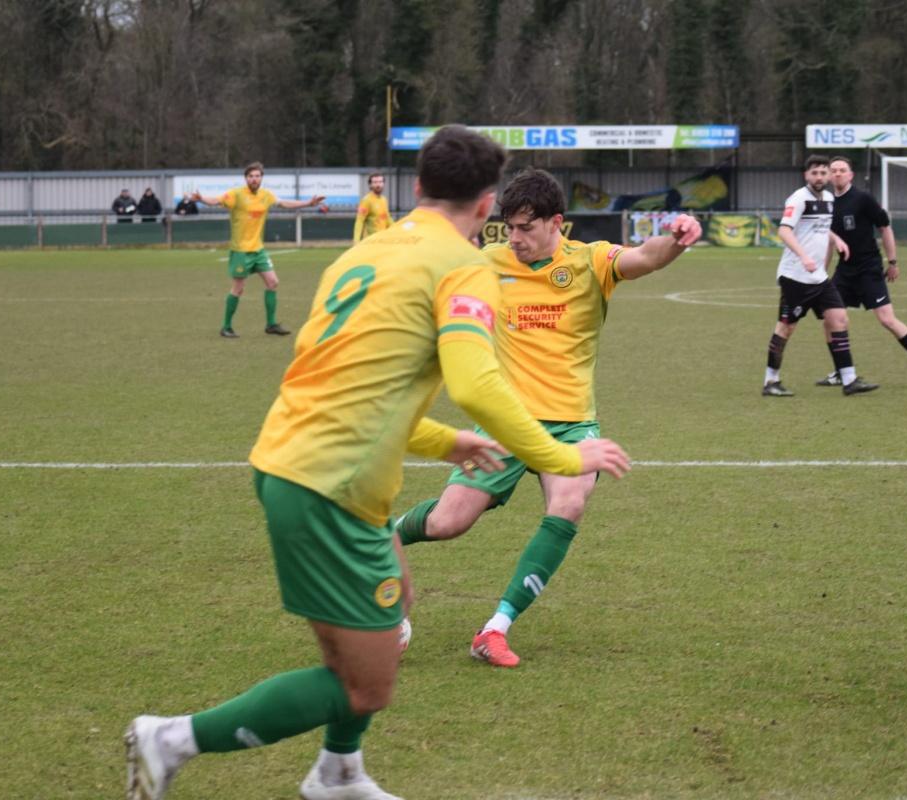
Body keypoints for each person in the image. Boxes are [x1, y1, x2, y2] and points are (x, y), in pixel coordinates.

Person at [123, 126, 632, 800]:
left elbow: (346, 381)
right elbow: (477, 385)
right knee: (365, 683)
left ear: (416, 188)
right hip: (330, 480)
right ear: (487, 208)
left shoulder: (365, 252)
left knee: (397, 602)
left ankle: (339, 771)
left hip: (296, 457)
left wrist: (446, 443)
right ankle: (170, 740)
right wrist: (563, 454)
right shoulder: (463, 266)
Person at [394, 167, 701, 668]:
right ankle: (379, 539)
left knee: (568, 504)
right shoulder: (488, 262)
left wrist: (677, 239)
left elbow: (646, 257)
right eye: (509, 228)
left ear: (556, 222)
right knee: (448, 522)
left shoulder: (590, 261)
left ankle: (495, 629)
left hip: (571, 425)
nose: (514, 238)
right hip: (506, 421)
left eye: (526, 228)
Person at [815, 155, 907, 389]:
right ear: (830, 176)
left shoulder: (863, 199)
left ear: (850, 175)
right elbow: (830, 243)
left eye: (842, 170)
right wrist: (822, 273)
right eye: (834, 170)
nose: (838, 173)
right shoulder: (828, 204)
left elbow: (885, 227)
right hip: (845, 271)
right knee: (829, 319)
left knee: (887, 319)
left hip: (869, 268)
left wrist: (892, 262)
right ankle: (841, 372)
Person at [762, 154, 878, 397]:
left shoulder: (828, 199)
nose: (819, 177)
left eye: (823, 173)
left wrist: (837, 239)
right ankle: (771, 381)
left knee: (839, 319)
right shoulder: (798, 198)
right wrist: (804, 256)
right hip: (795, 276)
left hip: (818, 277)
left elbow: (821, 228)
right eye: (814, 173)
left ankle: (849, 379)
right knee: (786, 328)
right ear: (806, 175)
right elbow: (784, 231)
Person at [191, 163, 325, 338]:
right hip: (241, 251)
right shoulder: (236, 194)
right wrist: (201, 199)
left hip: (258, 250)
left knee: (273, 282)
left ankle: (271, 325)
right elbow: (216, 200)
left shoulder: (265, 195)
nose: (254, 179)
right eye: (251, 176)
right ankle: (226, 327)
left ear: (261, 178)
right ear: (246, 178)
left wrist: (308, 203)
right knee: (238, 289)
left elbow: (284, 203)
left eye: (257, 176)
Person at [353, 173, 392, 242]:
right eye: (375, 182)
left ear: (383, 184)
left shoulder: (384, 199)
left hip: (383, 240)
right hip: (371, 241)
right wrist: (356, 240)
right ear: (370, 185)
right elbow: (359, 221)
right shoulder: (366, 200)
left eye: (380, 182)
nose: (378, 185)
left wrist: (397, 229)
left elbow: (387, 218)